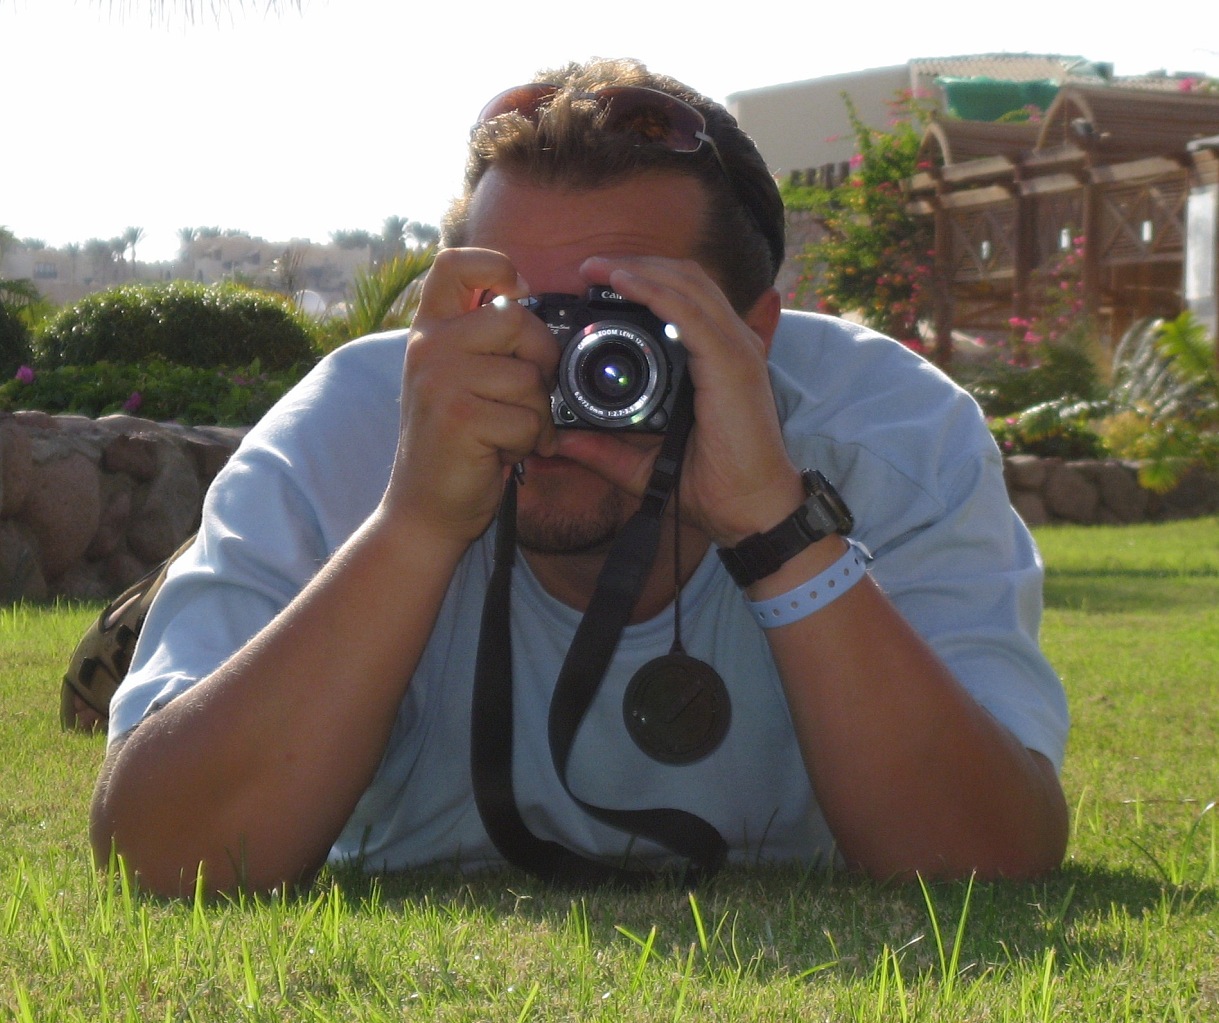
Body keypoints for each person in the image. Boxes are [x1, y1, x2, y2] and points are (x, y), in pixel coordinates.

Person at [90, 57, 1069, 897]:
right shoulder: (350, 427)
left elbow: (986, 858)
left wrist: (776, 529)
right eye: (514, 316)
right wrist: (415, 523)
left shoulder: (887, 436)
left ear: (753, 338)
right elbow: (162, 857)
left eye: (618, 326)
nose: (555, 373)